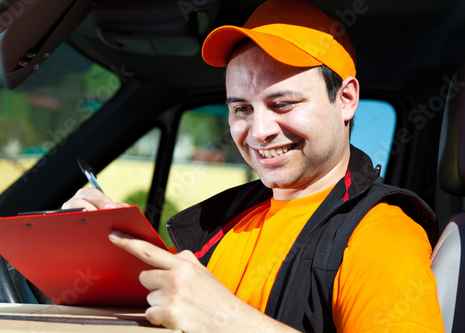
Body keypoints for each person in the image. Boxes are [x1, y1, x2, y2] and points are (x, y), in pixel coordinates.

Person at [63, 0, 444, 331]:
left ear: (345, 99)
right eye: (242, 108)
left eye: (282, 104)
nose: (259, 132)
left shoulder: (381, 234)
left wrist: (226, 321)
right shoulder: (228, 218)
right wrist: (119, 247)